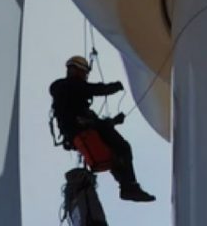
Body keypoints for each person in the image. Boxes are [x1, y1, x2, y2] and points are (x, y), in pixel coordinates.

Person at [49, 56, 155, 202]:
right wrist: (114, 87)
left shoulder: (67, 91)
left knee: (116, 155)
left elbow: (98, 123)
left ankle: (128, 187)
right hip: (82, 128)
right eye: (84, 73)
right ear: (76, 70)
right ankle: (129, 187)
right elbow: (94, 90)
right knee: (123, 147)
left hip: (81, 129)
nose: (85, 77)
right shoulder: (67, 86)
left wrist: (114, 121)